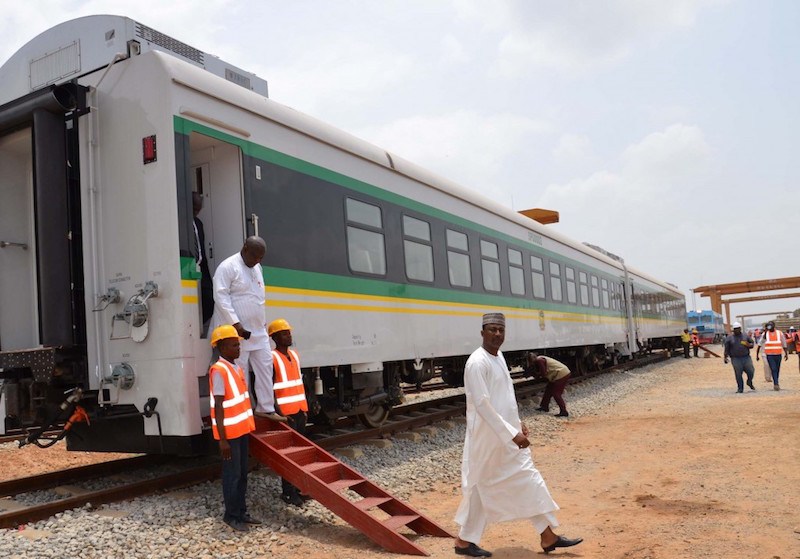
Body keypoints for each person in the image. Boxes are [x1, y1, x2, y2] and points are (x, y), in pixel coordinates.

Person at [453, 313, 583, 557]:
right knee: (487, 485)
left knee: (522, 480)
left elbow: (504, 398)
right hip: (488, 438)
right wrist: (511, 434)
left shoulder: (498, 357)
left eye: (501, 330)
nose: (497, 334)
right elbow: (482, 405)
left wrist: (518, 423)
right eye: (492, 330)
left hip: (506, 435)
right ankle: (464, 541)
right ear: (482, 332)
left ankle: (547, 535)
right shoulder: (476, 363)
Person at [212, 236, 285, 421]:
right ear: (244, 248)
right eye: (255, 256)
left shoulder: (257, 268)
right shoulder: (227, 267)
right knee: (240, 371)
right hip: (236, 332)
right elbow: (221, 297)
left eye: (261, 257)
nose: (258, 261)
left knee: (265, 367)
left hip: (258, 331)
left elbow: (257, 298)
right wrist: (236, 324)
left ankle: (266, 408)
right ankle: (243, 411)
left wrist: (261, 322)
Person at [209, 325, 260, 532]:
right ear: (221, 347)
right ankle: (231, 515)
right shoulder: (219, 371)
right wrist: (222, 440)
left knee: (242, 474)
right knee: (232, 475)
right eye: (233, 345)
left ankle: (241, 512)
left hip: (241, 430)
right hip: (229, 434)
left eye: (238, 344)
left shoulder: (236, 368)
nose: (238, 348)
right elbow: (218, 406)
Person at [268, 318, 310, 507]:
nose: (289, 335)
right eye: (284, 333)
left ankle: (297, 489)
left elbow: (298, 385)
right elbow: (269, 388)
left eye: (289, 332)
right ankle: (288, 492)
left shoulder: (295, 355)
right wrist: (279, 414)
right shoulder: (272, 358)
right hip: (286, 415)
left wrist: (305, 409)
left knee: (299, 454)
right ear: (275, 337)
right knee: (289, 456)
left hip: (299, 411)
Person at [193, 192, 214, 336]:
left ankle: (199, 323)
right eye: (195, 208)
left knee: (210, 299)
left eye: (199, 208)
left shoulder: (199, 223)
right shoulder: (180, 221)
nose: (197, 211)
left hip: (202, 266)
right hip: (189, 266)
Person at [723, 322, 756, 393]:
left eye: (738, 329)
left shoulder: (745, 336)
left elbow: (752, 343)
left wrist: (748, 345)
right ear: (733, 330)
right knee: (738, 373)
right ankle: (740, 388)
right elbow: (726, 349)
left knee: (751, 371)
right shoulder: (729, 338)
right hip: (735, 358)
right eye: (735, 329)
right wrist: (725, 357)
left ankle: (749, 381)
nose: (737, 330)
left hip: (746, 357)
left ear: (740, 328)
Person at [756, 321, 788, 390]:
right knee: (773, 368)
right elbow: (760, 343)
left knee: (777, 369)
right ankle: (776, 384)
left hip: (778, 354)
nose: (770, 327)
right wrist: (757, 354)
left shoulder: (779, 333)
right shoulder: (765, 334)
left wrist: (786, 353)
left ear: (774, 326)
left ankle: (776, 381)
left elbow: (784, 343)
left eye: (771, 325)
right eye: (768, 326)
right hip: (770, 355)